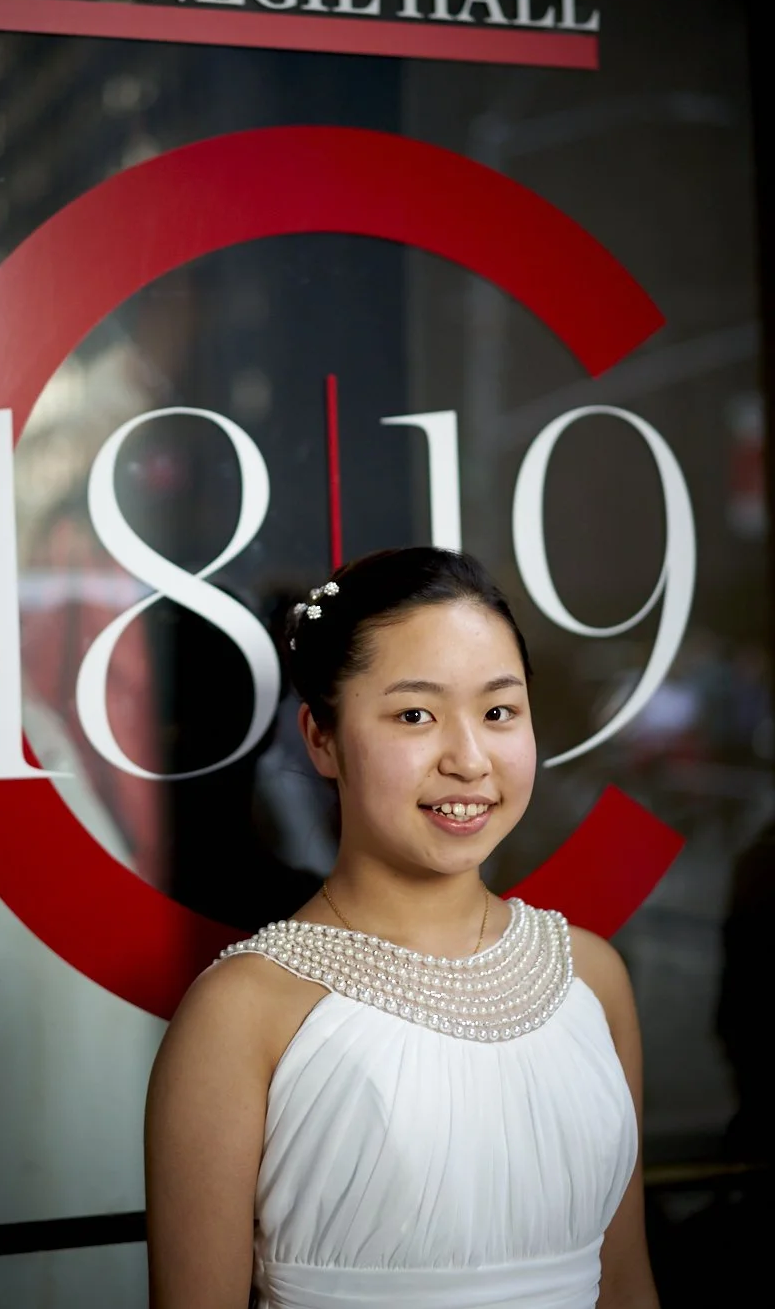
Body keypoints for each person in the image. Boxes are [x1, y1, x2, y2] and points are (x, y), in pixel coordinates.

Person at [144, 547, 659, 1309]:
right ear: (320, 737)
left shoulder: (591, 978)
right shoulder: (242, 1012)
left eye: (499, 712)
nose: (470, 760)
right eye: (416, 714)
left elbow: (625, 1282)